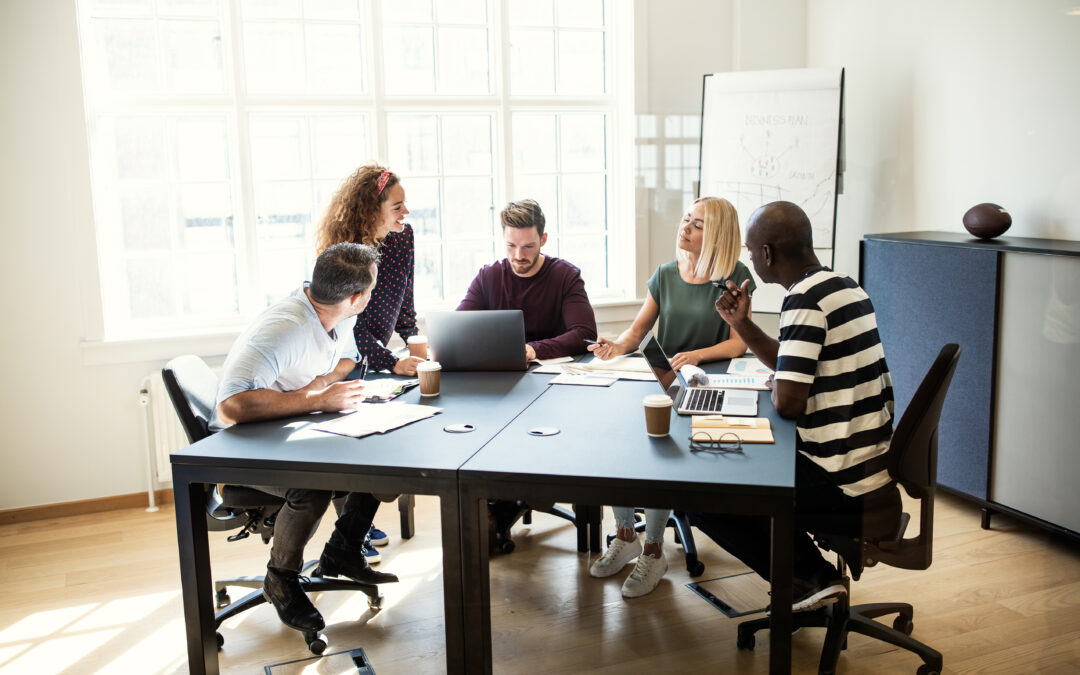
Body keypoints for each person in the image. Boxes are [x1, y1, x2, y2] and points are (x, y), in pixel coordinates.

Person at [690, 200, 901, 613]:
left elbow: (787, 404)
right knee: (734, 465)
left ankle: (811, 578)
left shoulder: (803, 300)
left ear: (767, 253)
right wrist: (742, 324)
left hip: (841, 483)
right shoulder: (843, 285)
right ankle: (809, 576)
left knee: (704, 492)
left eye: (751, 250)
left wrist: (780, 387)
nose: (750, 258)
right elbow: (791, 362)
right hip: (870, 470)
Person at [212, 242, 398, 636]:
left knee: (375, 458)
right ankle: (280, 578)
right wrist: (315, 399)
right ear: (356, 297)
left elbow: (346, 359)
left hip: (293, 428)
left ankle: (343, 552)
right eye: (372, 289)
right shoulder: (284, 329)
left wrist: (322, 386)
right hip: (240, 447)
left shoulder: (335, 311)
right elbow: (230, 406)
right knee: (309, 488)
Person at [586, 196, 756, 598]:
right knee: (623, 444)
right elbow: (637, 330)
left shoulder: (735, 276)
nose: (685, 228)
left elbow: (738, 344)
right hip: (663, 379)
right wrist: (615, 346)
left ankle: (654, 550)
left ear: (716, 235)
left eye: (698, 224)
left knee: (659, 458)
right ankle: (626, 536)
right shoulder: (665, 274)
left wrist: (697, 354)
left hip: (707, 385)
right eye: (685, 219)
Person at [316, 164, 425, 560]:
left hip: (381, 357)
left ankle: (354, 526)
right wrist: (391, 360)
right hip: (346, 358)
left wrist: (416, 346)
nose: (405, 212)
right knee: (355, 444)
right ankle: (351, 532)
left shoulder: (403, 238)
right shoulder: (343, 252)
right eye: (397, 206)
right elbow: (345, 321)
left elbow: (404, 301)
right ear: (370, 210)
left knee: (383, 438)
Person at [457, 198, 598, 360]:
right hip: (500, 372)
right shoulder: (488, 277)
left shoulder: (566, 276)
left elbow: (585, 334)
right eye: (511, 245)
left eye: (528, 247)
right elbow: (458, 327)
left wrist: (535, 349)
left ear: (543, 239)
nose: (519, 255)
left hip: (553, 373)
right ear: (503, 237)